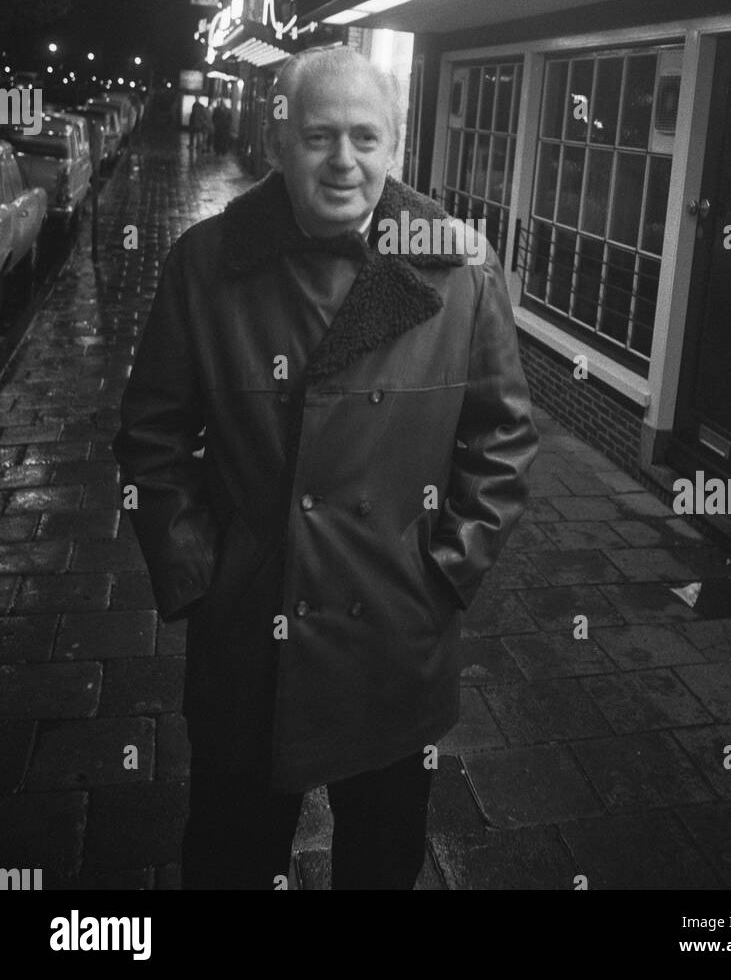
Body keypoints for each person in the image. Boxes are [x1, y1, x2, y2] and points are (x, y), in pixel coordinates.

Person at [112, 48, 537, 891]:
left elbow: (502, 439)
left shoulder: (456, 270)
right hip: (249, 632)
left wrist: (444, 573)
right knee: (232, 859)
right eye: (319, 136)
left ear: (395, 148)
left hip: (392, 635)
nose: (344, 161)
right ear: (279, 142)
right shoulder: (206, 264)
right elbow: (152, 436)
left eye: (365, 137)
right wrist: (202, 573)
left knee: (382, 862)